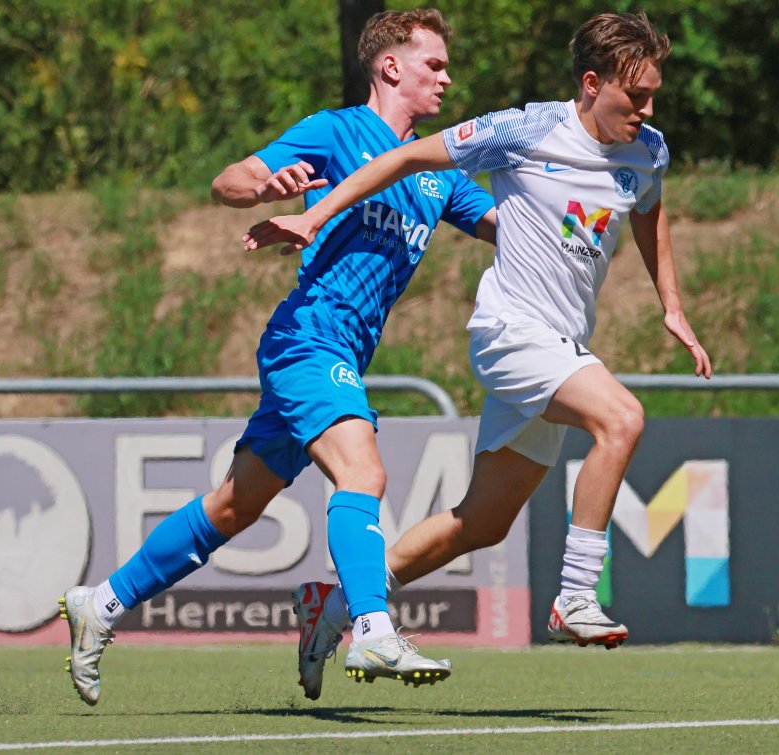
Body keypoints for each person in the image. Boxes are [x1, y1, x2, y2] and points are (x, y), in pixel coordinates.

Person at [244, 10, 711, 686]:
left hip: (560, 342)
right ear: (590, 83)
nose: (647, 107)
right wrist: (313, 216)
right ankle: (577, 592)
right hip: (510, 332)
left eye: (653, 94)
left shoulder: (648, 150)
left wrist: (672, 305)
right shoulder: (521, 130)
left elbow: (651, 212)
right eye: (634, 94)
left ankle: (335, 602)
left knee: (481, 522)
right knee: (622, 418)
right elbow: (404, 157)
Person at [59, 8, 497, 706]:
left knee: (234, 507)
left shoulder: (437, 168)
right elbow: (227, 180)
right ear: (390, 67)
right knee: (364, 469)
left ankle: (102, 603)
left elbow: (507, 227)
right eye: (433, 65)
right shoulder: (336, 131)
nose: (447, 77)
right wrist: (261, 187)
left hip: (344, 349)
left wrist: (576, 207)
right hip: (309, 337)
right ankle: (373, 625)